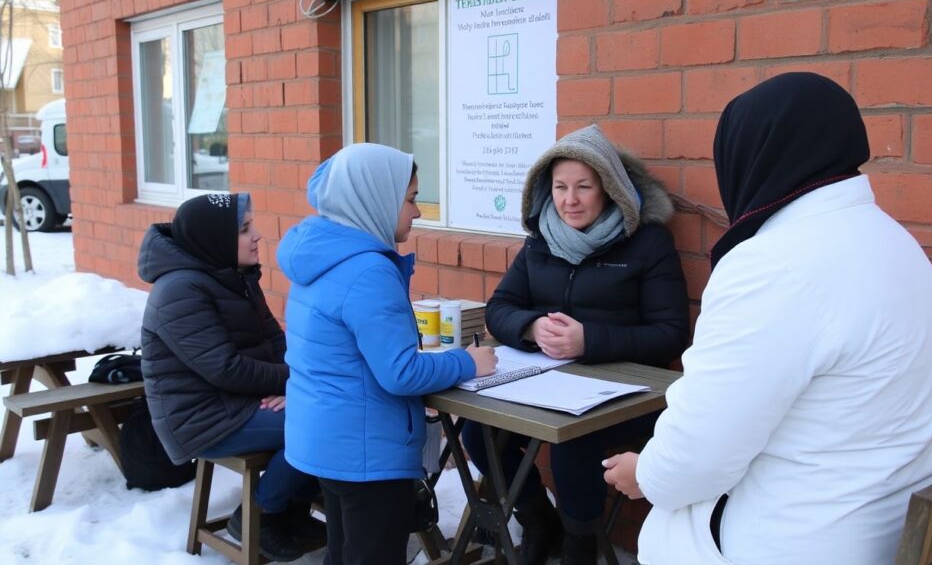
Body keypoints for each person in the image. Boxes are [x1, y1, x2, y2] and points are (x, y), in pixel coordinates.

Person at [603, 73, 932, 565]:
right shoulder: (896, 243)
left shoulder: (772, 265)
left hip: (799, 538)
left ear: (751, 157)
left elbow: (700, 454)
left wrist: (646, 474)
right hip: (883, 521)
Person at [464, 124, 690, 565]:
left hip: (629, 393)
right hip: (547, 383)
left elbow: (670, 332)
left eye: (584, 187)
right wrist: (530, 328)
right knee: (476, 432)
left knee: (572, 441)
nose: (570, 200)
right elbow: (500, 308)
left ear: (610, 188)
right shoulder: (540, 239)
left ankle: (580, 542)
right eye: (560, 187)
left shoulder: (648, 242)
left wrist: (589, 339)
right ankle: (536, 519)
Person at [277, 143, 498, 565]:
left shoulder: (320, 254)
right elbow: (400, 372)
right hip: (366, 451)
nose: (418, 211)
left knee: (343, 553)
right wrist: (470, 361)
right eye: (411, 198)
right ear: (373, 197)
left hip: (327, 439)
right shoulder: (368, 270)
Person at [138, 193, 324, 563]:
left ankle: (293, 514)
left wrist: (296, 384)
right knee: (319, 422)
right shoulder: (179, 291)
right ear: (213, 239)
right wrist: (297, 384)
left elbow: (274, 339)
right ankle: (259, 513)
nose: (257, 236)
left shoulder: (233, 275)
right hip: (202, 417)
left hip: (241, 400)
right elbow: (225, 368)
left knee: (320, 410)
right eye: (244, 229)